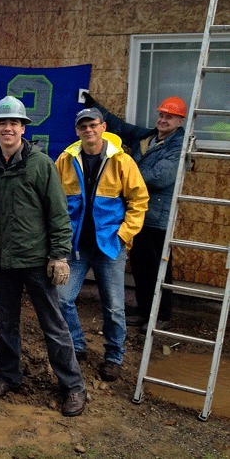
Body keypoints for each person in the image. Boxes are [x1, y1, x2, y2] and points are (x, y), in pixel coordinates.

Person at [0, 96, 87, 417]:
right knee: (6, 322)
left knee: (53, 324)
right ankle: (10, 376)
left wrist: (59, 256)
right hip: (5, 261)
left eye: (14, 123)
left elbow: (58, 214)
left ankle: (73, 386)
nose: (8, 128)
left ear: (23, 128)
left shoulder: (40, 164)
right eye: (2, 123)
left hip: (38, 261)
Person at [55, 107, 149, 382]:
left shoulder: (121, 161)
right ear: (77, 130)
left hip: (110, 244)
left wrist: (123, 235)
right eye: (83, 126)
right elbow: (55, 201)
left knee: (114, 307)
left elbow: (139, 201)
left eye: (93, 125)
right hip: (77, 246)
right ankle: (78, 344)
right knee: (62, 299)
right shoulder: (65, 160)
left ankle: (113, 356)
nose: (88, 130)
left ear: (103, 126)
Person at [84, 93, 186, 332]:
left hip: (158, 217)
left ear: (179, 121)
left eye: (170, 117)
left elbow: (161, 176)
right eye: (161, 115)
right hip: (137, 215)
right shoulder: (148, 137)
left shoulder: (179, 145)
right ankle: (143, 311)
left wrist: (124, 175)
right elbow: (119, 127)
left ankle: (162, 315)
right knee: (140, 266)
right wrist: (94, 106)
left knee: (158, 268)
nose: (163, 120)